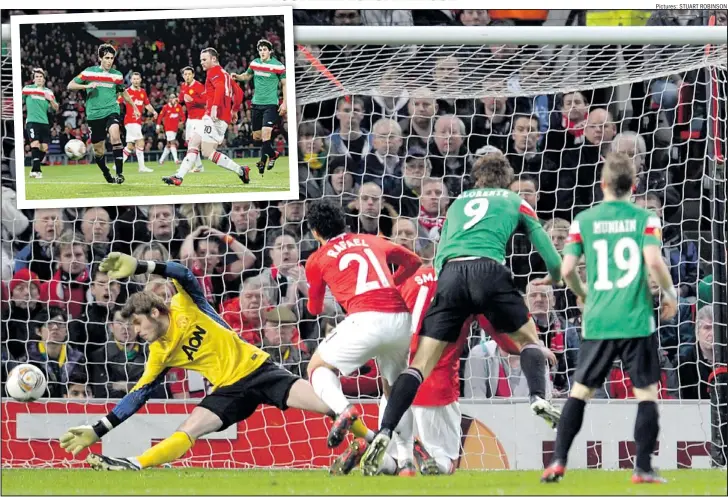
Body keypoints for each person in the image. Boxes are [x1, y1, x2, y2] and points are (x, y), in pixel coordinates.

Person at [59, 252, 372, 470]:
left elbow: (182, 272)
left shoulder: (185, 304)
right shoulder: (159, 355)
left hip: (260, 370)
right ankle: (134, 464)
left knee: (328, 404)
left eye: (138, 324)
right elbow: (137, 395)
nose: (137, 332)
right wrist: (98, 430)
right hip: (227, 390)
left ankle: (374, 442)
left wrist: (142, 265)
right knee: (189, 428)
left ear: (155, 312)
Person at [360, 154, 564, 475]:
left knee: (419, 364)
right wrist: (555, 274)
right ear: (507, 181)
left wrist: (450, 294)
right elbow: (545, 246)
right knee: (529, 342)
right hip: (488, 269)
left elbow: (440, 257)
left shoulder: (455, 205)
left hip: (451, 275)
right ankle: (538, 396)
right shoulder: (514, 199)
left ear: (475, 179)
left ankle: (385, 429)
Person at [540, 152, 678, 484]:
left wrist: (583, 292)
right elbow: (654, 262)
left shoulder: (583, 221)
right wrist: (670, 295)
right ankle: (642, 467)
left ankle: (558, 461)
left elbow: (567, 269)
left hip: (598, 320)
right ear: (633, 185)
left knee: (580, 392)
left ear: (602, 184)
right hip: (635, 319)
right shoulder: (645, 218)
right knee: (645, 393)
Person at [304, 199, 423, 475]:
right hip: (401, 320)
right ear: (344, 222)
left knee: (317, 368)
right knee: (394, 391)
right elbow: (414, 260)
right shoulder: (371, 240)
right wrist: (392, 283)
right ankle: (403, 463)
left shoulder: (317, 259)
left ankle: (344, 410)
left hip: (366, 319)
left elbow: (314, 309)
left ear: (315, 233)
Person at [163, 48, 250, 186]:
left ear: (213, 59)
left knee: (208, 152)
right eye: (201, 60)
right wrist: (234, 111)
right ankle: (179, 176)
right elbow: (239, 92)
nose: (202, 63)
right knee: (193, 143)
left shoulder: (213, 72)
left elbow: (220, 88)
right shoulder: (225, 74)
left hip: (215, 117)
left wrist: (215, 107)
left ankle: (241, 171)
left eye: (204, 59)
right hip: (216, 117)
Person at [67, 43, 140, 184]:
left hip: (111, 111)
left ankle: (119, 173)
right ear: (100, 58)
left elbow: (123, 93)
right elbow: (70, 85)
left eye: (112, 58)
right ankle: (106, 172)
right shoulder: (89, 72)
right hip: (94, 115)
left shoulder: (117, 76)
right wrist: (87, 86)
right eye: (106, 57)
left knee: (115, 135)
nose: (109, 61)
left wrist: (134, 107)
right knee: (99, 151)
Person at [232, 39, 287, 175]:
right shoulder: (255, 63)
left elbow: (285, 84)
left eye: (264, 49)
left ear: (270, 51)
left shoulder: (278, 66)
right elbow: (247, 76)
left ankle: (263, 161)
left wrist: (285, 102)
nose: (262, 52)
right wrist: (237, 76)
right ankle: (273, 154)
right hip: (256, 103)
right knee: (257, 137)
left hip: (271, 104)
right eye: (260, 50)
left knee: (265, 133)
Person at [118, 72, 158, 173]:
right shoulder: (126, 91)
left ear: (140, 80)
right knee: (140, 142)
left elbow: (147, 104)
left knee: (130, 146)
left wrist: (153, 111)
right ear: (131, 80)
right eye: (134, 79)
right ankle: (142, 167)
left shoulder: (143, 92)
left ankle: (117, 164)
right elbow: (117, 101)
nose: (136, 80)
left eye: (137, 79)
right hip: (130, 121)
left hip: (137, 121)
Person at [23, 68, 58, 179]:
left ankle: (35, 167)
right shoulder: (27, 89)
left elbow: (56, 108)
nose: (39, 78)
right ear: (33, 79)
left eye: (41, 77)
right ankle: (36, 170)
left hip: (44, 122)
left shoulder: (48, 92)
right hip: (32, 121)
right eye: (37, 77)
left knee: (44, 147)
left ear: (44, 79)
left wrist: (51, 100)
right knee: (35, 144)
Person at [179, 66, 206, 173]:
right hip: (190, 118)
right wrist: (179, 99)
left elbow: (205, 101)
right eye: (185, 74)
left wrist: (193, 100)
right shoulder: (183, 85)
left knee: (193, 143)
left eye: (189, 74)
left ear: (193, 75)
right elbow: (182, 98)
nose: (187, 76)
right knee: (189, 142)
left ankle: (194, 166)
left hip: (199, 118)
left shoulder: (199, 86)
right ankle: (198, 166)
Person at [157, 93, 185, 165]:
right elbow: (160, 117)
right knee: (172, 142)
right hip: (168, 128)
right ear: (169, 99)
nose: (172, 99)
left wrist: (182, 122)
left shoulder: (179, 107)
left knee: (168, 145)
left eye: (174, 98)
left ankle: (161, 160)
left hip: (175, 129)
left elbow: (183, 116)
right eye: (171, 98)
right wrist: (158, 126)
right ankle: (176, 160)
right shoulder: (165, 107)